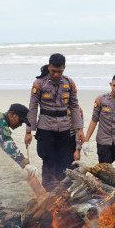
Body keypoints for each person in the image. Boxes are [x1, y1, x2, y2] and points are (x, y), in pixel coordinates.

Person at [25, 54, 83, 190]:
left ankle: (62, 191)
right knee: (48, 160)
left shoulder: (69, 83)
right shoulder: (39, 84)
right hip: (45, 128)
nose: (56, 74)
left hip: (64, 129)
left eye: (59, 71)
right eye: (53, 71)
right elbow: (32, 107)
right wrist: (28, 131)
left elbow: (74, 106)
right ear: (49, 67)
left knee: (64, 161)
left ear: (64, 68)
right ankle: (49, 190)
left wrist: (79, 129)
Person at [83, 74, 115, 167]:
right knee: (104, 172)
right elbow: (94, 120)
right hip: (103, 142)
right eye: (114, 85)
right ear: (110, 84)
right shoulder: (101, 99)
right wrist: (86, 141)